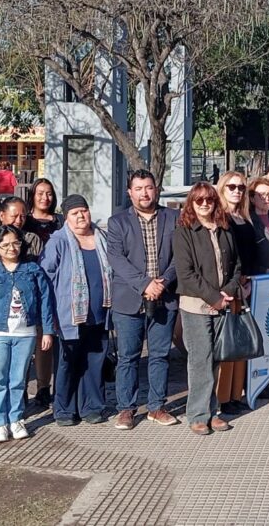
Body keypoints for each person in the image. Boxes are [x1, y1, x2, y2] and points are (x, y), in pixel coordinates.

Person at [107, 170, 180, 431]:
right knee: (128, 356)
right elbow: (116, 259)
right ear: (130, 192)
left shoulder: (173, 217)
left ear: (156, 189)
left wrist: (162, 282)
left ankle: (156, 406)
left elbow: (180, 256)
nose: (144, 193)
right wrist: (145, 284)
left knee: (160, 354)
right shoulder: (117, 222)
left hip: (165, 294)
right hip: (129, 299)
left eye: (148, 188)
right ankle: (126, 408)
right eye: (138, 188)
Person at [0, 225, 55, 442]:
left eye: (15, 243)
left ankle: (16, 419)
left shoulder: (33, 270)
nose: (11, 248)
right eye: (5, 244)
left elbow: (46, 301)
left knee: (17, 380)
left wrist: (47, 331)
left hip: (25, 333)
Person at [172, 182, 243, 435]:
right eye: (199, 200)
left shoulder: (225, 228)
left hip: (223, 301)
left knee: (215, 358)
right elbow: (186, 274)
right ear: (191, 203)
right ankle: (198, 414)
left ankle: (212, 411)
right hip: (196, 305)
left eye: (209, 200)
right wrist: (214, 297)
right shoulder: (184, 231)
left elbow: (236, 265)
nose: (204, 204)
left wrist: (230, 290)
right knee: (200, 359)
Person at [40, 194, 113, 426]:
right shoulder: (58, 241)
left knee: (94, 362)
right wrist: (49, 314)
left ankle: (92, 406)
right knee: (67, 363)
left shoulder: (102, 237)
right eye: (75, 213)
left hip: (99, 314)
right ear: (66, 217)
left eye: (84, 210)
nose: (81, 216)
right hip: (68, 315)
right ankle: (64, 409)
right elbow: (46, 277)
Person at [216, 171, 255, 414]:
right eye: (231, 187)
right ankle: (221, 398)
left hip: (245, 286)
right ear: (222, 189)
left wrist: (247, 278)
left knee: (240, 344)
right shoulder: (219, 217)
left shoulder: (244, 217)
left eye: (241, 187)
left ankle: (234, 394)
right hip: (227, 288)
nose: (237, 191)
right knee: (225, 345)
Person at [0, 197, 44, 268]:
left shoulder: (33, 240)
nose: (18, 221)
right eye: (14, 216)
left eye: (22, 216)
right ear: (2, 216)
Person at [24, 178, 64, 245]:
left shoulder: (61, 220)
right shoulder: (24, 221)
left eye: (49, 194)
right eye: (40, 194)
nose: (45, 198)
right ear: (32, 196)